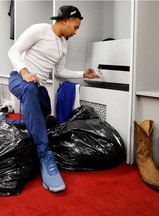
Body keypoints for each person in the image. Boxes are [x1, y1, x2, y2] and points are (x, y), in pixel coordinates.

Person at [8, 5, 98, 193]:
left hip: (37, 86)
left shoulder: (64, 45)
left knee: (45, 114)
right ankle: (44, 155)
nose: (76, 32)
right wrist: (25, 72)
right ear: (64, 20)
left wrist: (83, 74)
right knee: (30, 90)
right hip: (19, 78)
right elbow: (14, 51)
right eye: (76, 27)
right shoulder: (39, 30)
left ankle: (20, 128)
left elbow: (59, 71)